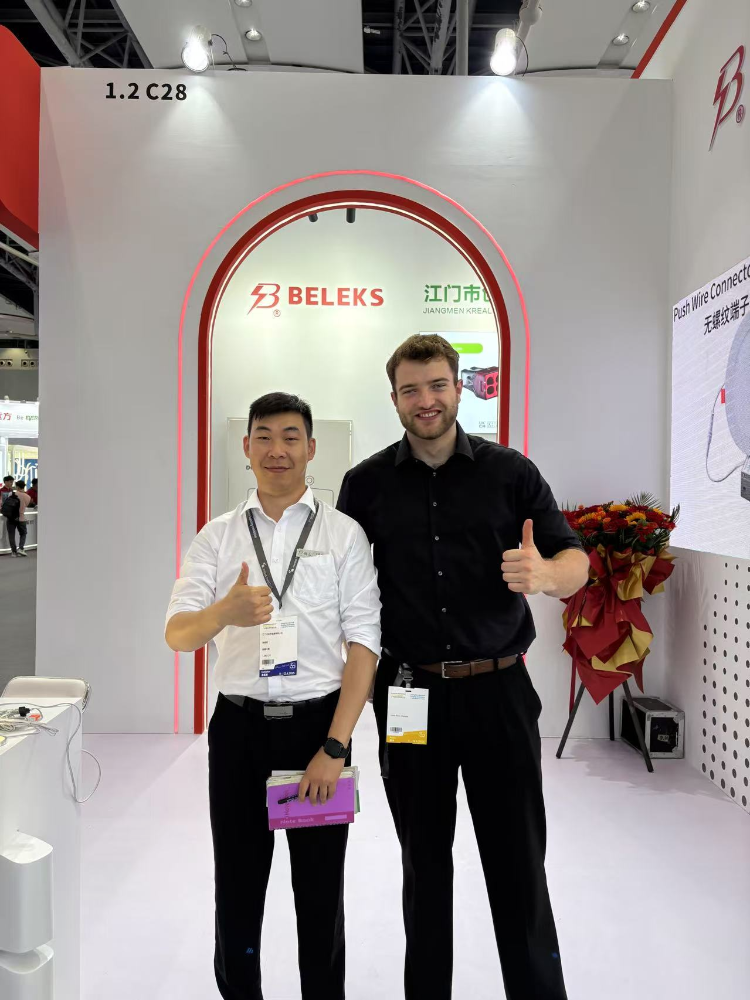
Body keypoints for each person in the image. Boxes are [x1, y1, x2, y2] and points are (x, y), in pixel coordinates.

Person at [337, 335, 590, 1000]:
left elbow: (576, 562)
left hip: (499, 692)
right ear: (395, 398)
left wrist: (544, 574)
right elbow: (343, 594)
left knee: (519, 866)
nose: (426, 400)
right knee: (423, 867)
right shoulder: (364, 486)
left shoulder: (511, 474)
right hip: (409, 694)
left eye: (437, 385)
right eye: (411, 389)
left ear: (459, 387)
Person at [165, 392, 381, 1000]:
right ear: (246, 446)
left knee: (320, 891)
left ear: (311, 448)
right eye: (264, 436)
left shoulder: (343, 534)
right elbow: (178, 634)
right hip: (240, 732)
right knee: (237, 886)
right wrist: (223, 613)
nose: (277, 450)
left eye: (290, 437)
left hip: (317, 731)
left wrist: (335, 747)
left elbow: (364, 642)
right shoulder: (217, 537)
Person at [2, 479, 31, 557]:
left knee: (11, 535)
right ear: (24, 487)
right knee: (23, 533)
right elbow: (26, 506)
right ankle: (21, 548)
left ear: (17, 486)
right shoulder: (28, 497)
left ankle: (14, 552)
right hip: (21, 518)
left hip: (11, 518)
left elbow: (5, 503)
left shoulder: (11, 494)